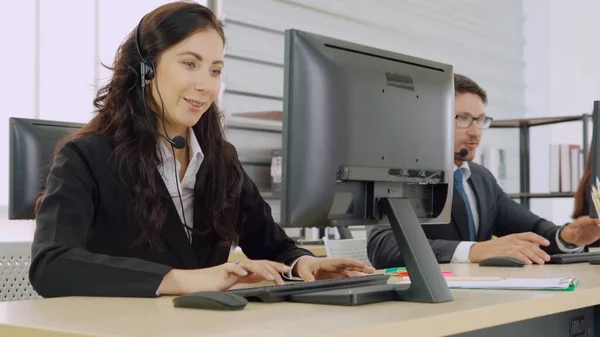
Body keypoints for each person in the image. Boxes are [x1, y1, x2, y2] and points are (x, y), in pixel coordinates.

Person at [29, 1, 374, 298]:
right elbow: (52, 264)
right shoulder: (86, 157)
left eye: (215, 70)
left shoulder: (221, 161)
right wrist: (185, 280)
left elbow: (274, 247)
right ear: (145, 69)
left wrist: (305, 264)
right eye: (189, 64)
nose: (205, 85)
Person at [366, 74, 600, 269]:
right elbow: (382, 246)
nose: (476, 132)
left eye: (480, 120)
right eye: (464, 118)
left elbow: (534, 229)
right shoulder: (401, 175)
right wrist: (473, 250)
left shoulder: (480, 178)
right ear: (432, 119)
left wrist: (570, 236)